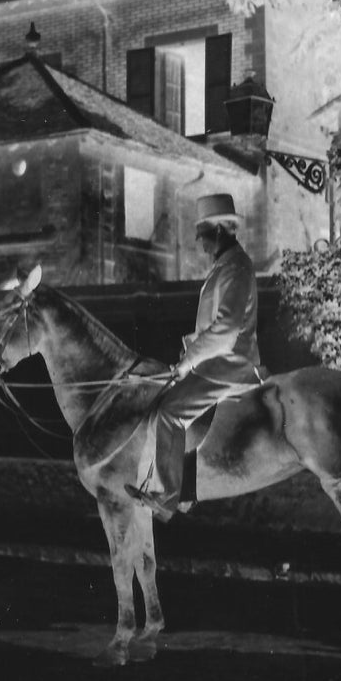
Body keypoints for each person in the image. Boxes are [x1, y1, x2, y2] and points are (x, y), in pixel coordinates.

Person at [126, 194, 263, 519]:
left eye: (202, 234)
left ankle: (170, 498)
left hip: (229, 367)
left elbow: (226, 331)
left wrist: (189, 362)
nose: (198, 242)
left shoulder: (235, 269)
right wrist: (188, 354)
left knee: (170, 413)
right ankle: (182, 487)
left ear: (218, 230)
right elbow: (211, 327)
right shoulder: (226, 266)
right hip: (216, 362)